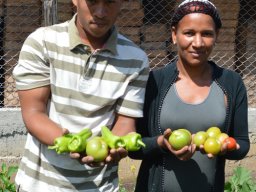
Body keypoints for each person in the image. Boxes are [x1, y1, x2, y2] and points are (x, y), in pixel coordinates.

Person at [12, 0, 149, 191]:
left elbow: (126, 122)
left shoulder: (135, 59)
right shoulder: (42, 42)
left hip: (101, 187)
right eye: (92, 1)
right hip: (40, 185)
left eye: (110, 2)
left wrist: (116, 146)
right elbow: (34, 113)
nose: (100, 12)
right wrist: (74, 144)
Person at [129, 0, 250, 191]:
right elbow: (133, 147)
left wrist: (226, 147)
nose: (198, 43)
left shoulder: (231, 83)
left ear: (217, 36)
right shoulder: (154, 82)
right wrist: (160, 143)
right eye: (189, 33)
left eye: (207, 34)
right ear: (174, 34)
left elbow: (242, 144)